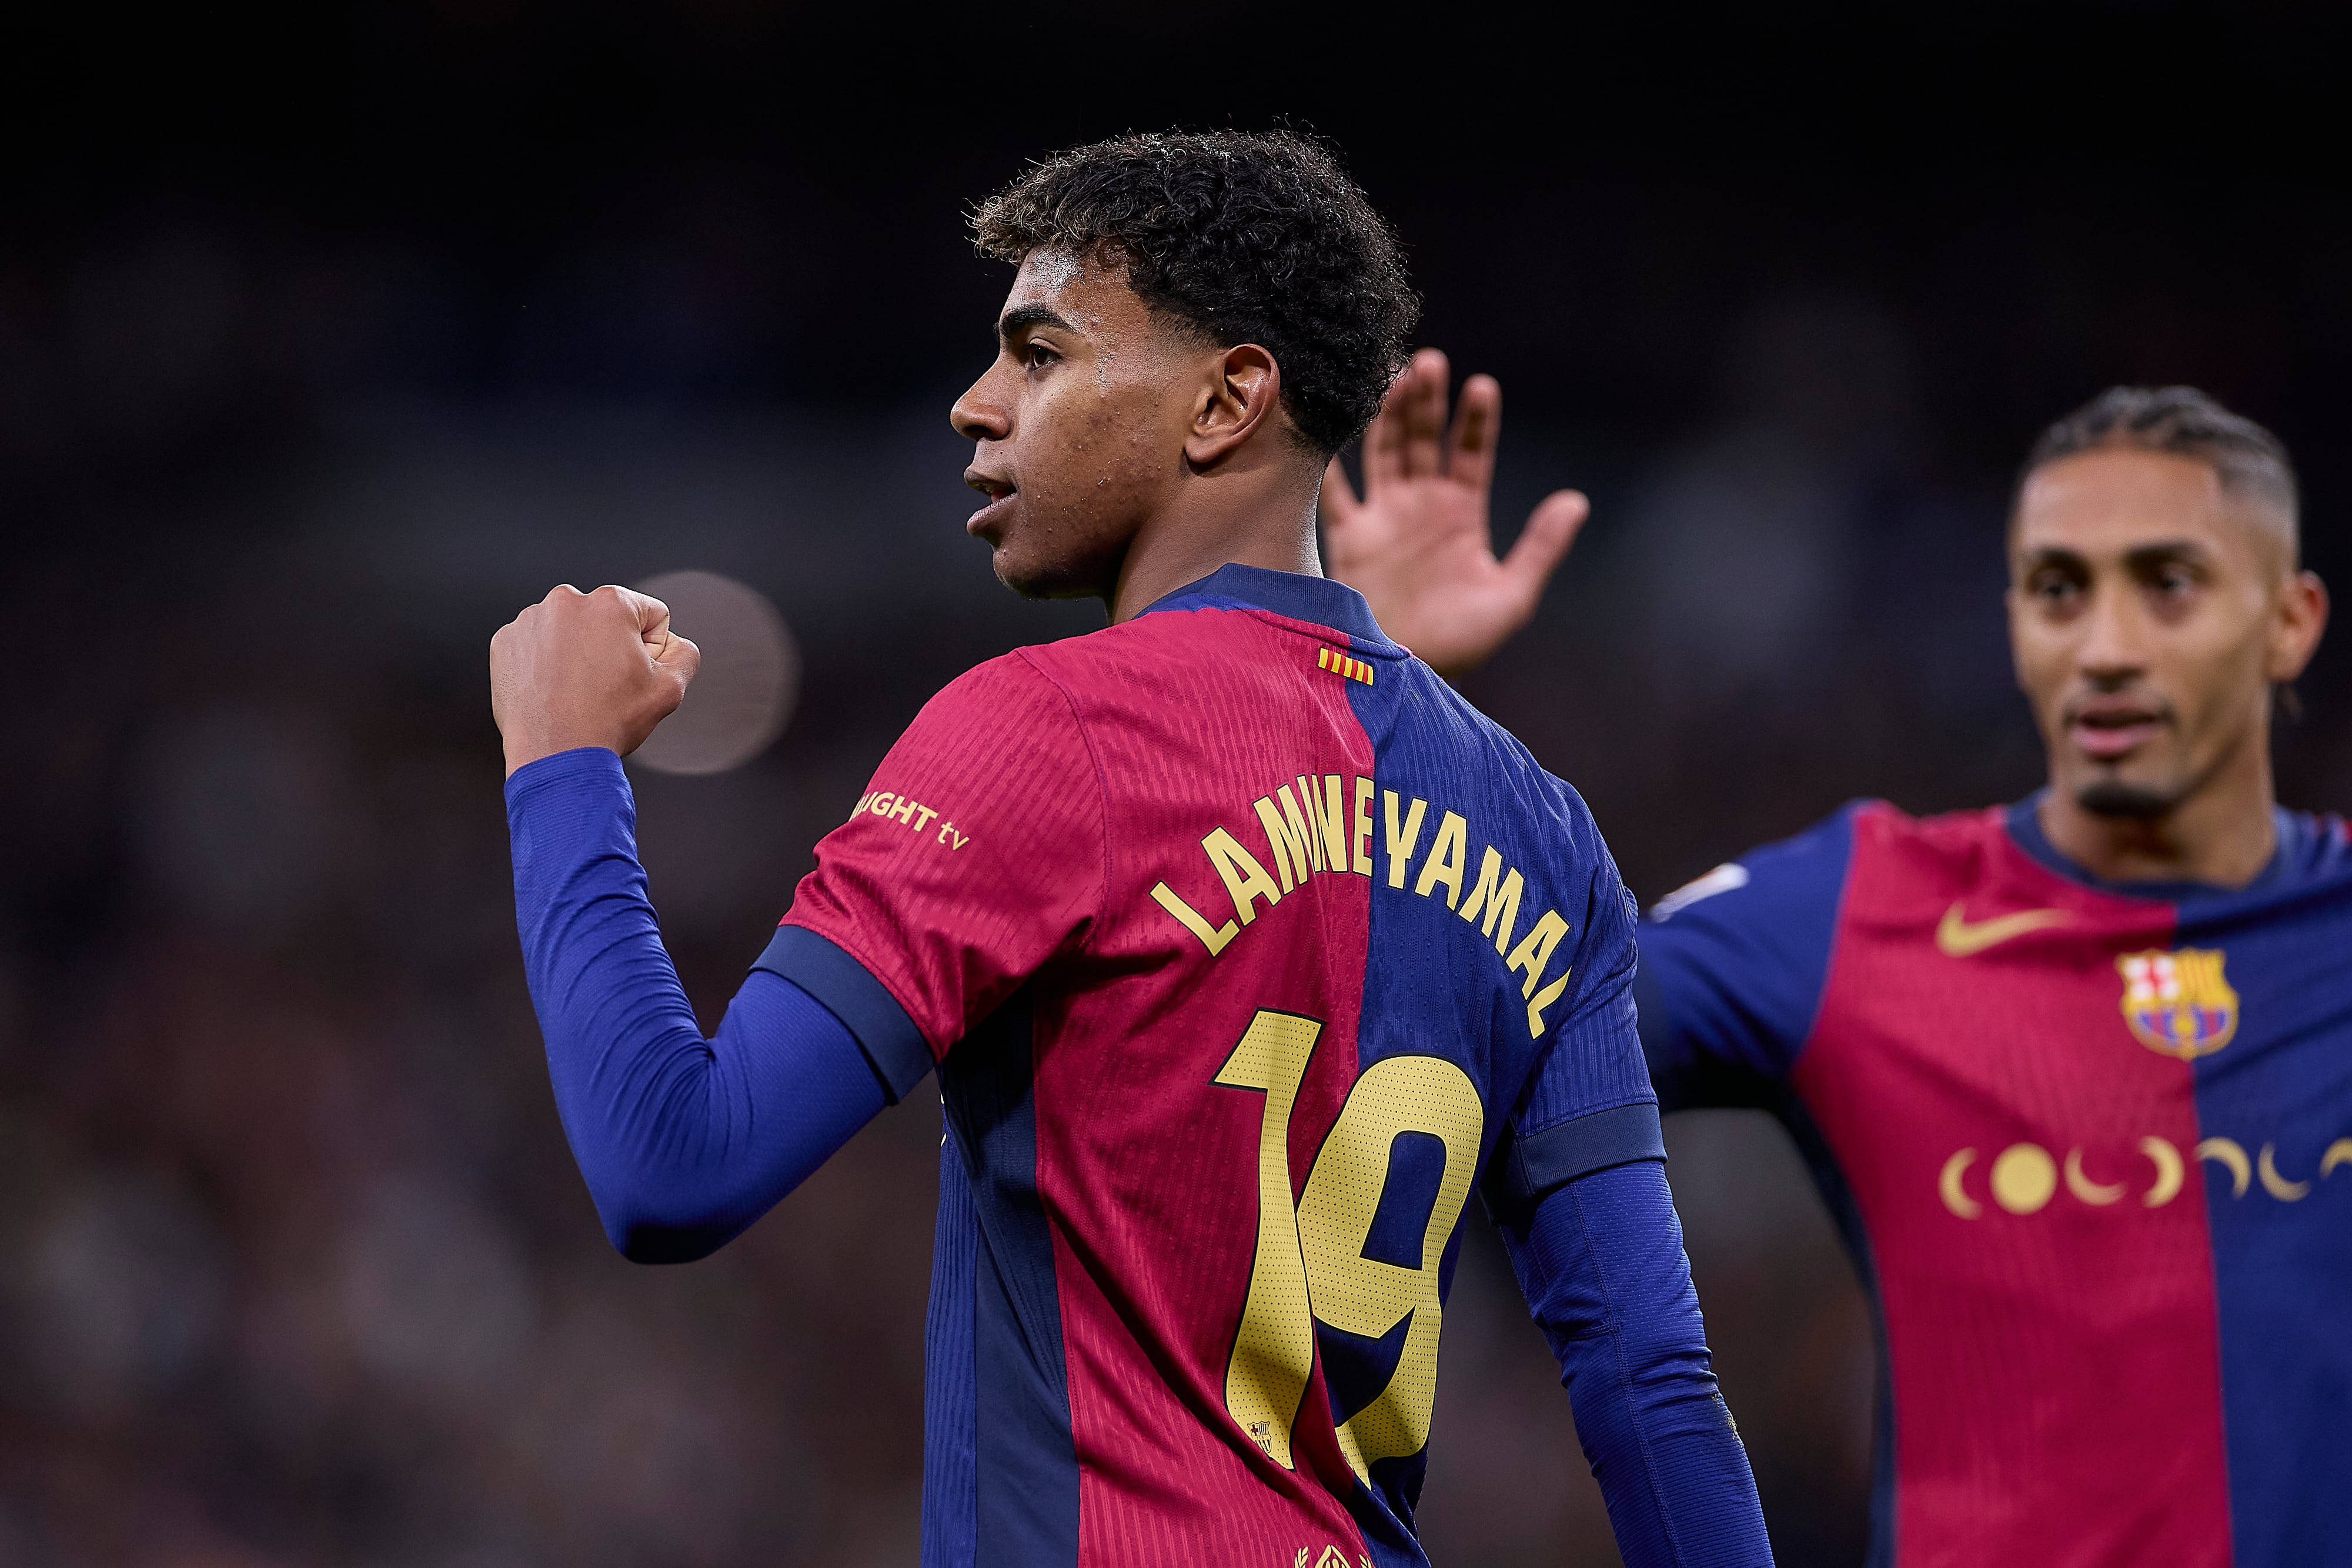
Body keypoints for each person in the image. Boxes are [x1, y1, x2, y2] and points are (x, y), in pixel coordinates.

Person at [489, 132, 1771, 1568]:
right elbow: (1651, 1391)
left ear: (1226, 399)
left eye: (1039, 355)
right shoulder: (1537, 828)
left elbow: (674, 1165)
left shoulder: (1043, 731)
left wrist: (561, 766)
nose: (975, 406)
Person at [1331, 362, 2351, 1566]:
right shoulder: (1859, 907)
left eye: (2166, 586)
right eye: (2056, 589)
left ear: (2287, 622)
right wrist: (1381, 691)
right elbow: (1478, 1015)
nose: (2105, 645)